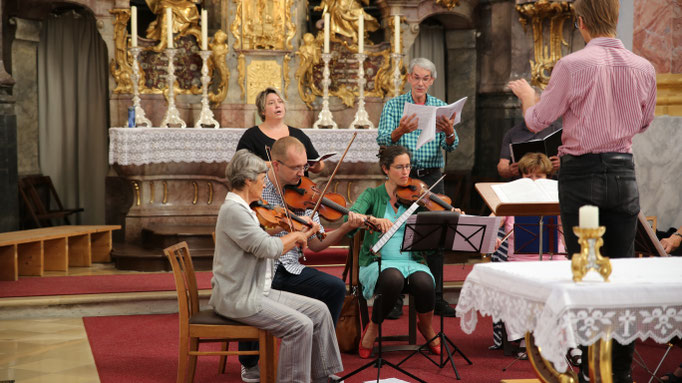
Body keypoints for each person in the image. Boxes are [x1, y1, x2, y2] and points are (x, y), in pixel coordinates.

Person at [508, 0, 657, 381]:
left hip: (582, 175)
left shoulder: (572, 65)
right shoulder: (644, 67)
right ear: (616, 18)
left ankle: (593, 370)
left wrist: (528, 100)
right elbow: (643, 121)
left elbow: (539, 119)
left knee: (586, 276)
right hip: (623, 173)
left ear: (580, 23)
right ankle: (618, 374)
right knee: (621, 278)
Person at [210, 149, 343, 383]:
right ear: (248, 180)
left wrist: (295, 231)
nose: (264, 184)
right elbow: (269, 248)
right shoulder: (233, 210)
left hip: (257, 290)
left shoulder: (243, 207)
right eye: (262, 179)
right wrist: (300, 233)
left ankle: (322, 376)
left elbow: (262, 241)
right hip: (239, 297)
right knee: (300, 325)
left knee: (320, 311)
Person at [239, 136, 366, 382]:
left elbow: (316, 244)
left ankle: (318, 363)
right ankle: (249, 361)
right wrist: (291, 231)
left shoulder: (306, 191)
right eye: (295, 167)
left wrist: (343, 228)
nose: (302, 172)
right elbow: (253, 239)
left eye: (304, 166)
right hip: (260, 268)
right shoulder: (257, 189)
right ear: (275, 165)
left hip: (290, 268)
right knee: (252, 289)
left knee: (335, 288)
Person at [376, 57, 459, 317]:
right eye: (416, 77)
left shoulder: (440, 107)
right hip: (403, 176)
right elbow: (381, 139)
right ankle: (396, 298)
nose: (420, 82)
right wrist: (400, 131)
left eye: (426, 78)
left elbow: (452, 147)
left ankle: (434, 298)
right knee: (399, 235)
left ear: (432, 80)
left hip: (432, 176)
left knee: (435, 237)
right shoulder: (394, 105)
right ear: (409, 78)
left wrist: (449, 133)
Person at [348, 145, 441, 358]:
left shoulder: (417, 195)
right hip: (377, 263)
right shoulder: (372, 195)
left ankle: (426, 326)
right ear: (385, 169)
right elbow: (350, 217)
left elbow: (439, 217)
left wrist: (452, 214)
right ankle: (373, 326)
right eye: (399, 167)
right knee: (393, 278)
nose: (406, 172)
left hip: (412, 261)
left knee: (425, 282)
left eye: (408, 166)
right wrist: (371, 219)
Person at [237, 87, 325, 174]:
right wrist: (273, 165)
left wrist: (316, 166)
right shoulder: (251, 135)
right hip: (266, 186)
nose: (277, 105)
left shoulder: (298, 134)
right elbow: (240, 164)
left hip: (299, 186)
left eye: (280, 102)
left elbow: (319, 165)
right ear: (262, 111)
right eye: (271, 103)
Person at [498, 93, 561, 179]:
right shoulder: (512, 133)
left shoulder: (559, 129)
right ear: (522, 108)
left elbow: (578, 160)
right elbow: (502, 165)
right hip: (523, 184)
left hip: (553, 184)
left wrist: (562, 163)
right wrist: (509, 170)